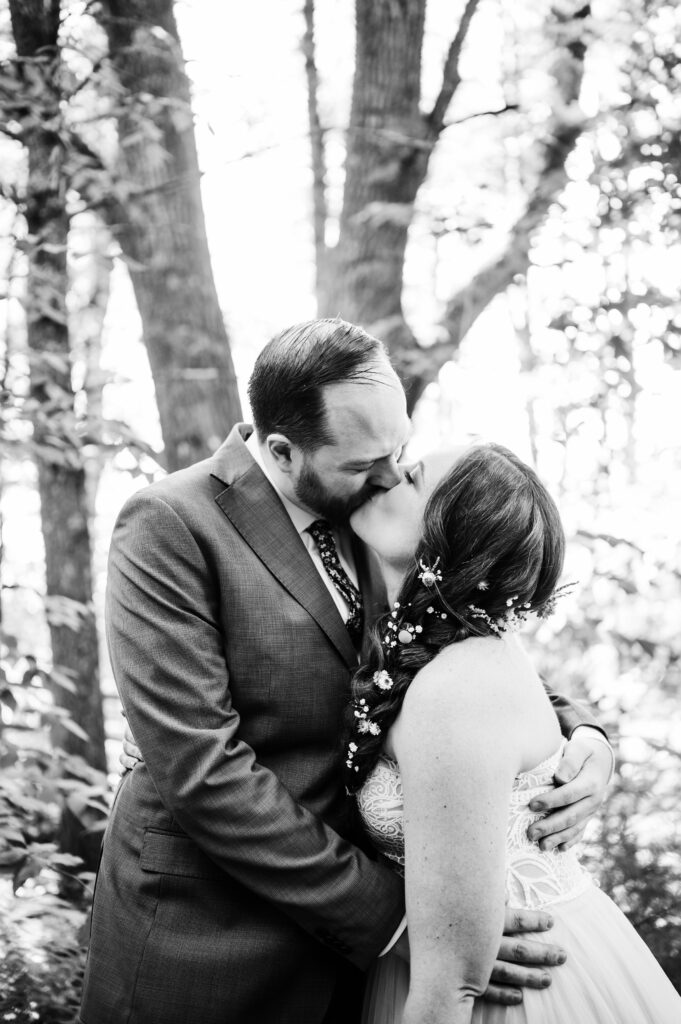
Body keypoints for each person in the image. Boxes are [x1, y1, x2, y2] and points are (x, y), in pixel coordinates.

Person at [79, 320, 613, 1024]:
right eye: (367, 464)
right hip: (206, 934)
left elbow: (452, 644)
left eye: (399, 451)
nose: (391, 475)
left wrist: (583, 739)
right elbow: (201, 770)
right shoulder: (170, 525)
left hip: (345, 971)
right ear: (281, 450)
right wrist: (402, 922)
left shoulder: (377, 517)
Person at [346, 442, 681, 1024]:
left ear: (448, 534)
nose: (388, 474)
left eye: (413, 477)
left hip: (511, 988)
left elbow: (451, 985)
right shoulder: (456, 655)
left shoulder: (458, 684)